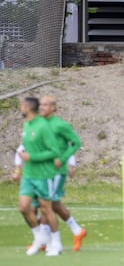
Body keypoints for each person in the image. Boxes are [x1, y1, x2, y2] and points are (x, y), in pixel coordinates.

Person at [39, 95, 86, 252]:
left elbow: (76, 142)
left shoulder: (60, 125)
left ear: (53, 107)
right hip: (43, 170)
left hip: (57, 170)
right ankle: (77, 231)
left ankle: (49, 241)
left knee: (47, 203)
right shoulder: (39, 124)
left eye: (45, 105)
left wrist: (65, 159)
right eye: (40, 104)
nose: (42, 107)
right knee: (54, 203)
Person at [18, 97, 62, 256]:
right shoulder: (26, 125)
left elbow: (54, 151)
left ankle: (56, 243)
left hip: (43, 174)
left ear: (29, 107)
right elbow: (26, 148)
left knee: (46, 209)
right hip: (28, 174)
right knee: (23, 207)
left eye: (22, 105)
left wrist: (32, 157)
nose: (20, 108)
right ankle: (39, 238)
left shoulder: (43, 126)